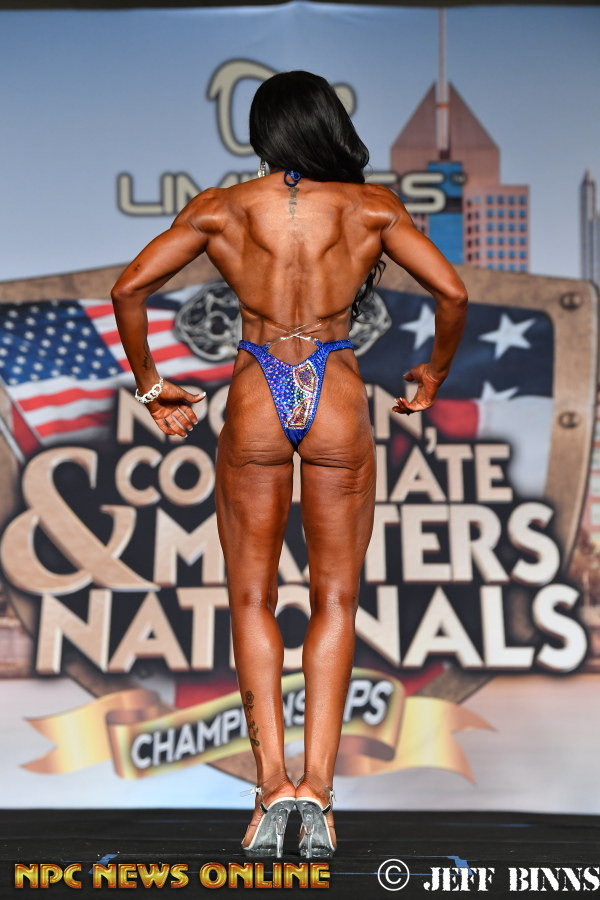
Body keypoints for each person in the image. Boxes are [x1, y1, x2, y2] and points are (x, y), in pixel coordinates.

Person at [110, 69, 468, 859]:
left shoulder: (223, 208)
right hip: (334, 388)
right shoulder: (371, 208)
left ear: (261, 132)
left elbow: (129, 289)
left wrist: (153, 386)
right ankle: (321, 796)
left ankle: (272, 788)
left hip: (256, 391)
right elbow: (452, 293)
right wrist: (433, 374)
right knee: (336, 598)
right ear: (327, 125)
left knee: (250, 598)